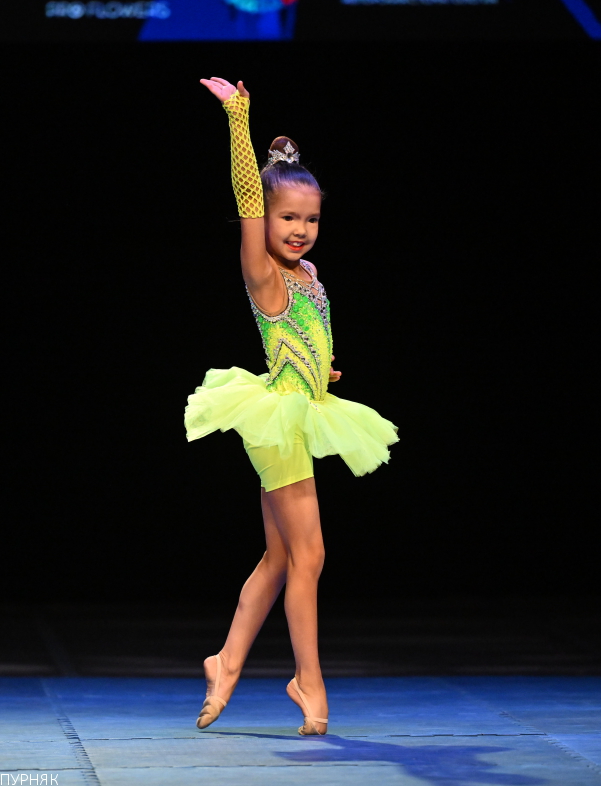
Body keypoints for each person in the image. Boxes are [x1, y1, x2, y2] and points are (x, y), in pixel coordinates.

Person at [185, 77, 399, 736]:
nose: (300, 230)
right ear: (266, 223)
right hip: (277, 423)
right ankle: (308, 679)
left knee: (281, 559)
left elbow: (304, 338)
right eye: (287, 219)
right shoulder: (264, 274)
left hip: (301, 407)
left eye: (310, 220)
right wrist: (238, 118)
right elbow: (248, 198)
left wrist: (319, 366)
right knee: (311, 557)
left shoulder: (308, 276)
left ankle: (226, 662)